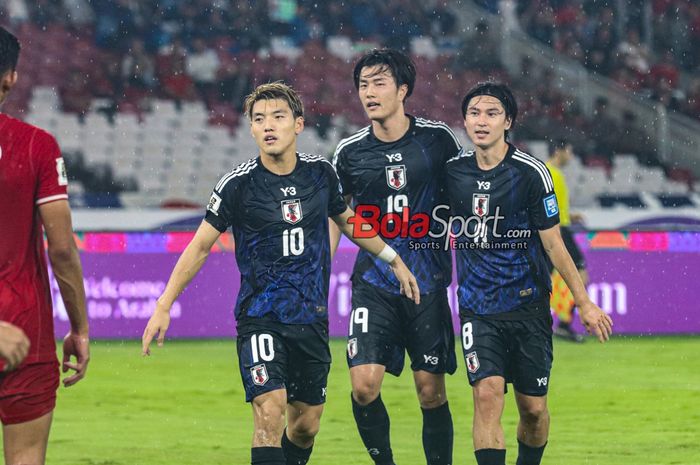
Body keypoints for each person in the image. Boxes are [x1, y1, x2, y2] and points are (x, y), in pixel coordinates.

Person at [141, 82, 420, 465]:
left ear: (298, 124)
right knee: (268, 409)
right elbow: (200, 246)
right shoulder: (237, 185)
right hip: (261, 318)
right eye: (259, 119)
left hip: (311, 320)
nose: (268, 125)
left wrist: (393, 258)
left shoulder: (321, 175)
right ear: (251, 129)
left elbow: (350, 222)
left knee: (305, 425)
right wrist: (164, 304)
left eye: (277, 116)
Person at [445, 82, 613, 465]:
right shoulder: (452, 173)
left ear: (508, 121)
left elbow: (555, 245)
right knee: (487, 393)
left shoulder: (532, 173)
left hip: (528, 308)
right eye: (474, 113)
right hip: (478, 308)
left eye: (491, 113)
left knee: (533, 411)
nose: (481, 121)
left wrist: (584, 304)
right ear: (465, 121)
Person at [330, 48, 461, 465]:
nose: (369, 92)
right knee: (364, 386)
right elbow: (337, 213)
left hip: (428, 285)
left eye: (379, 83)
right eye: (363, 85)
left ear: (403, 90)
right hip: (373, 284)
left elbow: (466, 191)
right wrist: (319, 269)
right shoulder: (349, 153)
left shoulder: (438, 141)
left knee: (430, 391)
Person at [0, 26, 90, 465]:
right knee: (27, 458)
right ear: (11, 77)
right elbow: (62, 250)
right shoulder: (36, 146)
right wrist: (80, 328)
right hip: (26, 329)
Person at [545, 139, 587, 343]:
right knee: (580, 274)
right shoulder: (549, 173)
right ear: (558, 151)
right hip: (558, 230)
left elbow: (552, 205)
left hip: (560, 226)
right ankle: (563, 324)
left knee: (550, 277)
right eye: (569, 151)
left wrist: (571, 215)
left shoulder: (552, 173)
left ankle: (557, 323)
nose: (570, 156)